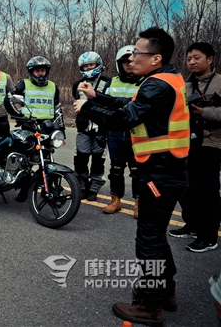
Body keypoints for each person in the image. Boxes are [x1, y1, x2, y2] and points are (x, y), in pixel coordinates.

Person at [74, 27, 189, 326]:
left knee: (148, 240)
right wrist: (97, 97)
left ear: (156, 58)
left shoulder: (156, 85)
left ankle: (150, 306)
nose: (132, 57)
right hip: (168, 171)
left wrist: (88, 108)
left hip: (161, 173)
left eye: (138, 52)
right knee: (157, 237)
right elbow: (129, 106)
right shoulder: (166, 79)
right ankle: (166, 292)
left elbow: (125, 118)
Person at [168, 42, 220, 253]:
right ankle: (192, 225)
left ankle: (208, 237)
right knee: (185, 187)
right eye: (189, 59)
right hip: (187, 143)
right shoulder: (186, 85)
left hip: (211, 143)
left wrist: (203, 113)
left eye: (197, 58)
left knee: (207, 191)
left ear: (210, 59)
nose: (192, 62)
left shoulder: (219, 83)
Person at [10, 56, 64, 202]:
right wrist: (19, 116)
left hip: (47, 128)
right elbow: (11, 101)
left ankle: (48, 188)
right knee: (26, 161)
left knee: (46, 160)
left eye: (42, 70)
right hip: (29, 127)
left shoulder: (54, 87)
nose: (40, 74)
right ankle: (23, 190)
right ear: (31, 72)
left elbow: (57, 108)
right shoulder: (23, 84)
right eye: (37, 71)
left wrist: (61, 128)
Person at [102, 45, 141, 216]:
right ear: (120, 64)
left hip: (136, 133)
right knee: (116, 168)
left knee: (136, 170)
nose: (130, 65)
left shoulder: (145, 82)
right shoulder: (111, 83)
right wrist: (101, 132)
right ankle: (115, 200)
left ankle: (139, 202)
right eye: (126, 62)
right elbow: (103, 108)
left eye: (133, 61)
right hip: (115, 133)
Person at [72, 51, 111, 201]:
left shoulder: (108, 83)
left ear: (98, 64)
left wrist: (104, 130)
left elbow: (110, 105)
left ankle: (94, 187)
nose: (89, 68)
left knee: (98, 160)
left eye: (91, 65)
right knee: (80, 159)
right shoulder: (77, 85)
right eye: (85, 66)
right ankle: (81, 185)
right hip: (84, 129)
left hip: (101, 129)